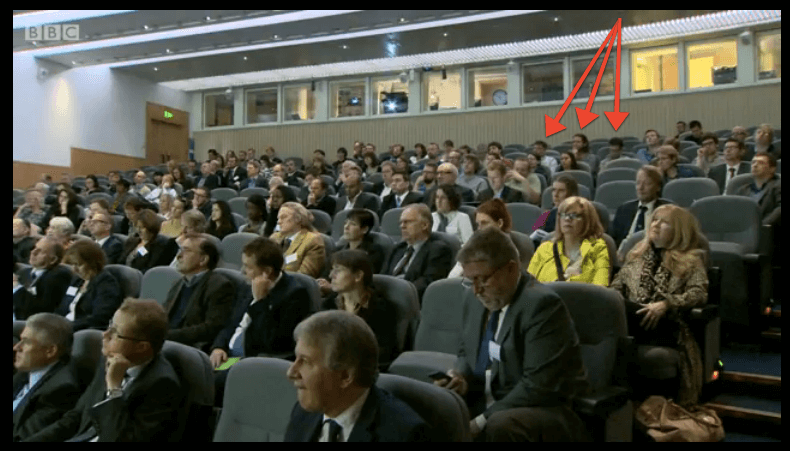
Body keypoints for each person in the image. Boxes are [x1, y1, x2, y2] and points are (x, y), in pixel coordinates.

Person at [435, 227, 590, 442]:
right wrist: (460, 377)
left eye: (483, 279)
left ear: (511, 269)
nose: (476, 289)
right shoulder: (473, 298)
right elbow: (466, 349)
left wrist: (480, 421)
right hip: (487, 400)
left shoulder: (542, 306)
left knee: (500, 425)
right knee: (434, 404)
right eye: (470, 280)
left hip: (541, 410)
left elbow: (537, 386)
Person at [22, 299, 186, 442]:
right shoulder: (108, 360)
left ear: (141, 347)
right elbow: (75, 418)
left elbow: (120, 439)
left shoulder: (162, 385)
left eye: (115, 333)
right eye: (109, 326)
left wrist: (114, 388)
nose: (105, 335)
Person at [610, 204, 708, 407]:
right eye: (654, 219)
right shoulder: (635, 256)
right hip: (632, 320)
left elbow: (699, 294)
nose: (656, 224)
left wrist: (666, 304)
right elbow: (615, 288)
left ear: (678, 230)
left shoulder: (691, 260)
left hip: (666, 326)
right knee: (608, 303)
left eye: (664, 222)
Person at [285, 310, 430, 442]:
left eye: (305, 361)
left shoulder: (404, 435)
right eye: (296, 359)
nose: (291, 372)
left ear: (345, 376)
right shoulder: (304, 412)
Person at [210, 236, 313, 405]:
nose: (242, 271)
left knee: (212, 387)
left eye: (248, 267)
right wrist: (219, 346)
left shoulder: (295, 295)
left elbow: (271, 341)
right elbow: (231, 322)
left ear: (266, 271)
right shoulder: (247, 285)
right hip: (227, 355)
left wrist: (260, 302)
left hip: (253, 358)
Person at [319, 250, 399, 367]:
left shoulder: (380, 308)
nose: (331, 275)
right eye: (332, 270)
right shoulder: (329, 303)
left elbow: (383, 352)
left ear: (358, 276)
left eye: (338, 270)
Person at [13, 313, 80, 442]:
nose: (16, 347)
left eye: (26, 342)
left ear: (50, 351)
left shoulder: (61, 390)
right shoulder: (28, 370)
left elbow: (21, 437)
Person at [164, 233, 234, 351]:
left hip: (191, 348)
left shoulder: (219, 285)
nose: (179, 256)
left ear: (203, 259)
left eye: (186, 251)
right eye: (180, 250)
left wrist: (168, 336)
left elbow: (210, 329)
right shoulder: (179, 282)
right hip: (168, 341)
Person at [528, 196, 610, 286]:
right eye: (563, 215)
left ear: (587, 220)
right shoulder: (545, 248)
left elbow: (601, 288)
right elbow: (529, 286)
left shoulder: (598, 248)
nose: (567, 219)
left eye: (574, 215)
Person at [447, 198, 535, 278]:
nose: (479, 229)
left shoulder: (511, 248)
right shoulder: (475, 242)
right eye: (478, 224)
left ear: (499, 223)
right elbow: (453, 276)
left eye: (485, 223)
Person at [382, 204, 453, 299]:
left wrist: (395, 294)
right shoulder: (397, 248)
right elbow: (382, 275)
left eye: (408, 222)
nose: (402, 226)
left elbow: (427, 283)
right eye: (401, 222)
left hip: (410, 300)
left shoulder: (438, 250)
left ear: (424, 225)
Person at [57, 240, 123, 332]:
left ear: (92, 262)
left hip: (82, 331)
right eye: (72, 265)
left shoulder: (105, 282)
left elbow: (100, 317)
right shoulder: (78, 280)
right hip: (65, 326)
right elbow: (63, 307)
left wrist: (67, 326)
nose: (74, 269)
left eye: (78, 265)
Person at [611, 166, 673, 253]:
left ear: (658, 187)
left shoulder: (667, 209)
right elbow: (614, 241)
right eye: (638, 183)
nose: (640, 188)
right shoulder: (624, 209)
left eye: (647, 183)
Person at [13, 238, 73, 321]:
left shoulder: (58, 276)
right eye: (34, 248)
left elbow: (42, 309)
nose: (33, 252)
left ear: (53, 260)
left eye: (40, 251)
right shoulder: (23, 272)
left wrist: (16, 287)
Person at [269, 202, 327, 278]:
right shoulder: (274, 237)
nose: (279, 222)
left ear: (298, 219)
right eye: (278, 218)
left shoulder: (313, 241)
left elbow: (303, 277)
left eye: (283, 217)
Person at [326, 209, 388, 277]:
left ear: (364, 229)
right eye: (345, 223)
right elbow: (326, 273)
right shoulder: (338, 250)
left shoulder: (373, 251)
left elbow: (365, 277)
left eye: (353, 224)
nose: (346, 227)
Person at [119, 209, 179, 274]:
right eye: (137, 227)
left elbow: (150, 269)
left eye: (142, 228)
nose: (138, 230)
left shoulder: (158, 245)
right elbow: (120, 261)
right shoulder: (132, 241)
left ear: (150, 227)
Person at [735, 153, 781, 226]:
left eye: (761, 163)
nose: (755, 165)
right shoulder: (743, 189)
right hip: (743, 230)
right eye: (753, 162)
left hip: (769, 231)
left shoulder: (778, 185)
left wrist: (761, 225)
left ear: (772, 169)